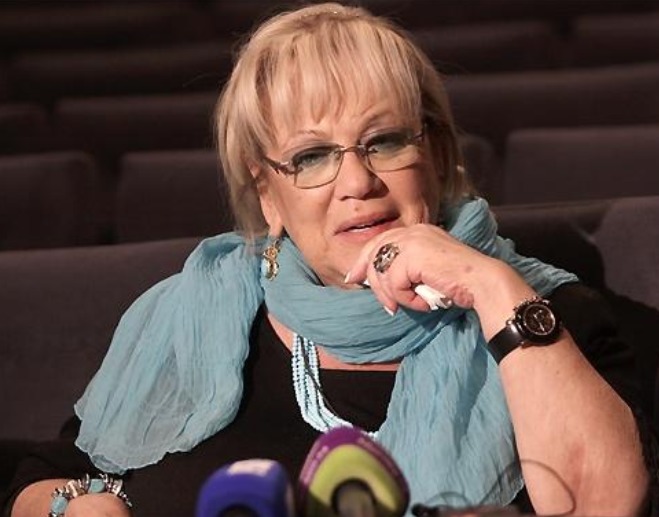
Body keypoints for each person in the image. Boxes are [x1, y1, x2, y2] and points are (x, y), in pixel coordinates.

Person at [4, 3, 656, 516]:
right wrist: (68, 507)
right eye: (312, 156)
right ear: (268, 193)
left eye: (384, 142)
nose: (356, 183)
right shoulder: (190, 316)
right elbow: (47, 475)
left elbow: (604, 504)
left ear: (435, 155)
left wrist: (487, 284)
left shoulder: (548, 316)